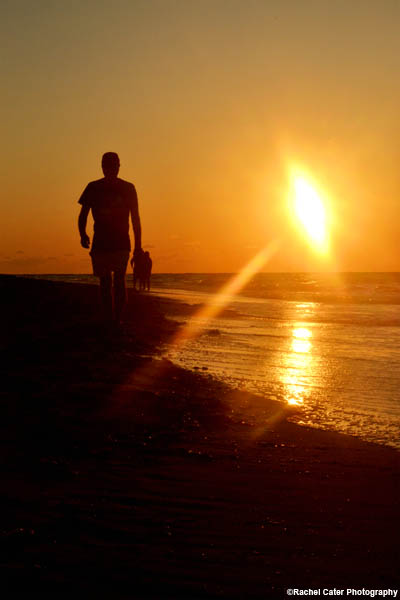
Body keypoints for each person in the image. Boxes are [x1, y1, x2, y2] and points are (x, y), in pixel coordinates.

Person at [78, 152, 142, 328]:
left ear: (118, 166)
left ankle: (116, 320)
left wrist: (138, 247)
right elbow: (83, 214)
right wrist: (82, 234)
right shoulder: (93, 187)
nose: (110, 169)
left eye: (113, 165)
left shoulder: (128, 188)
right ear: (103, 166)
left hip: (120, 242)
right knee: (106, 281)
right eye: (108, 165)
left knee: (117, 280)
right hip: (102, 242)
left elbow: (135, 218)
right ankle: (110, 319)